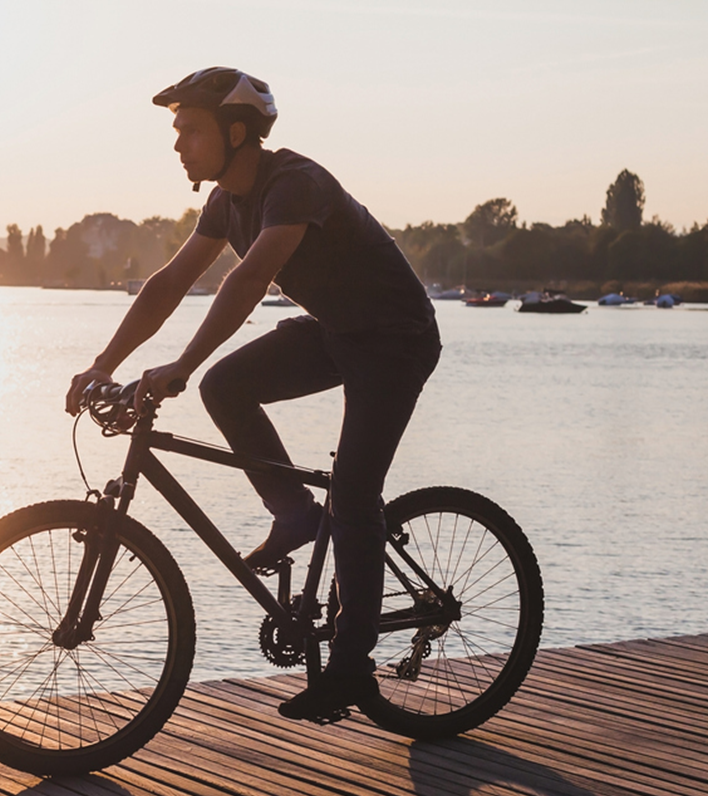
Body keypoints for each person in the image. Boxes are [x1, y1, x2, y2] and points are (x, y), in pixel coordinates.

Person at [66, 67, 440, 723]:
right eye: (176, 131)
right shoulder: (224, 201)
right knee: (225, 385)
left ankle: (352, 667)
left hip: (395, 340)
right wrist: (102, 365)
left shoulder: (294, 183)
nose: (178, 143)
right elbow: (169, 282)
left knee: (353, 492)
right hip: (335, 331)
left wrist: (179, 363)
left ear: (237, 132)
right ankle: (295, 514)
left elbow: (248, 280)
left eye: (190, 129)